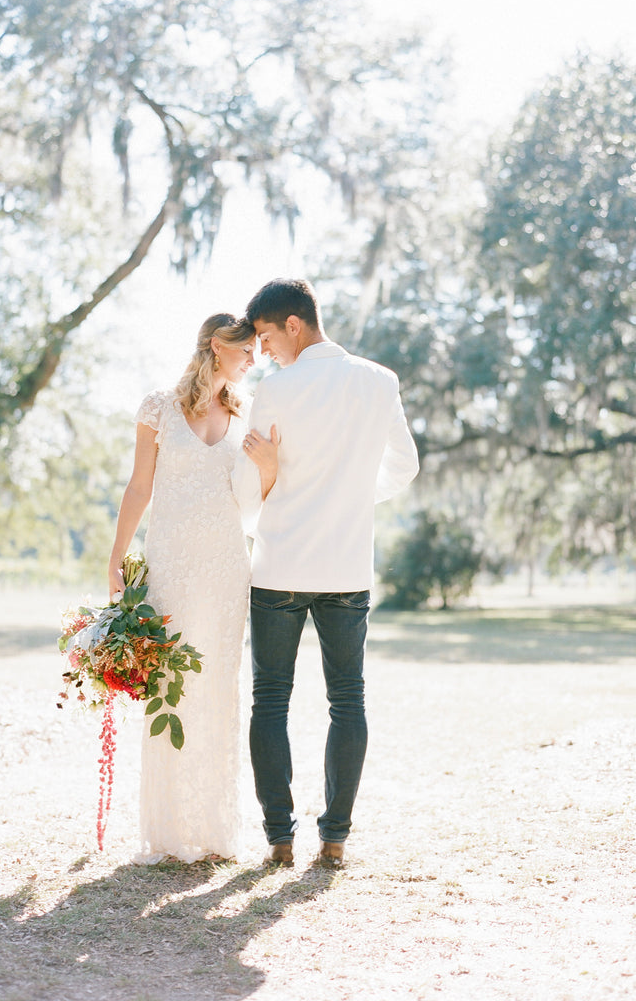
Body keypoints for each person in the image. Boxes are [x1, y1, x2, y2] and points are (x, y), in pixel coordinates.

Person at [233, 278, 419, 868]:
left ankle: (280, 839)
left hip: (280, 563)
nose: (263, 352)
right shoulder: (379, 381)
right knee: (348, 700)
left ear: (294, 325)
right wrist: (353, 496)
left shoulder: (277, 388)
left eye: (266, 336)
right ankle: (334, 838)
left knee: (270, 701)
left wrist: (273, 482)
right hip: (346, 566)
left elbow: (249, 486)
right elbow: (405, 466)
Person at [108, 312, 266, 864]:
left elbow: (256, 494)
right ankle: (170, 830)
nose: (254, 358)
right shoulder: (158, 407)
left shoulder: (245, 413)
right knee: (168, 684)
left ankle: (215, 829)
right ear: (216, 346)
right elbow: (139, 486)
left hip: (226, 568)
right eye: (246, 348)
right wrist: (116, 558)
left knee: (219, 686)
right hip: (170, 564)